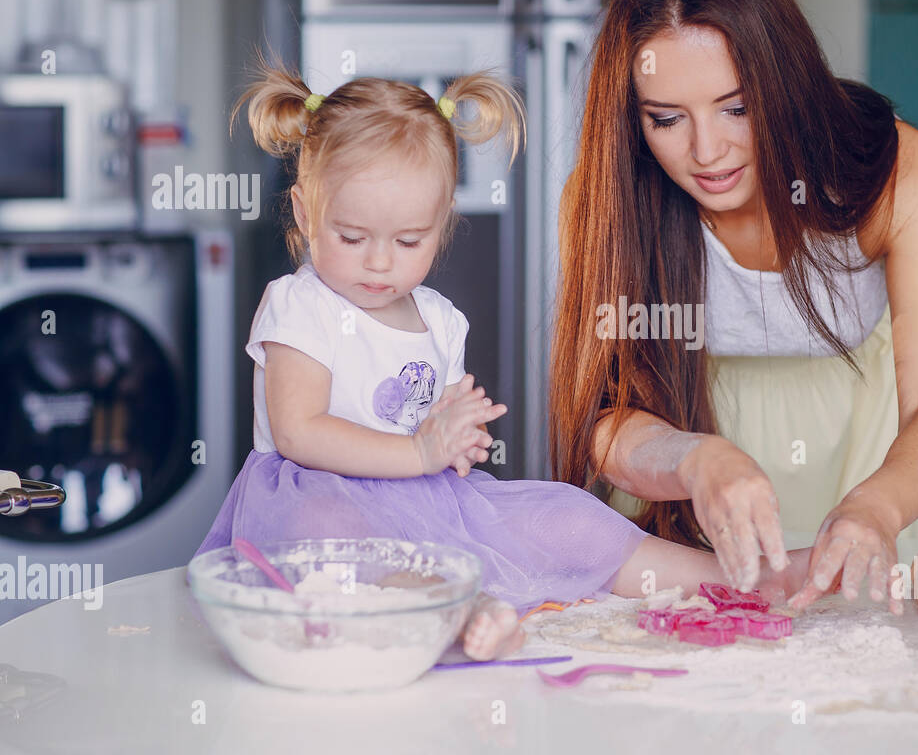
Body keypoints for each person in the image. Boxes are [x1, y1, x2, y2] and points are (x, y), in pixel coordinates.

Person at [194, 54, 811, 660]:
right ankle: (465, 610)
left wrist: (454, 439)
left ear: (442, 225)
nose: (380, 262)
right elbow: (299, 432)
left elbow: (428, 428)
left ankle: (737, 576)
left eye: (409, 240)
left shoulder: (438, 318)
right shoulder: (301, 305)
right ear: (305, 212)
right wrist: (418, 451)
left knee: (569, 518)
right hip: (315, 496)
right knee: (333, 539)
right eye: (351, 237)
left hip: (428, 497)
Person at [548, 0, 918, 616]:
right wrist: (692, 459)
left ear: (785, 82)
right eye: (666, 119)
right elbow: (599, 416)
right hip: (682, 453)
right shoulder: (603, 200)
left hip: (881, 455)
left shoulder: (903, 175)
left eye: (737, 108)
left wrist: (878, 507)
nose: (707, 151)